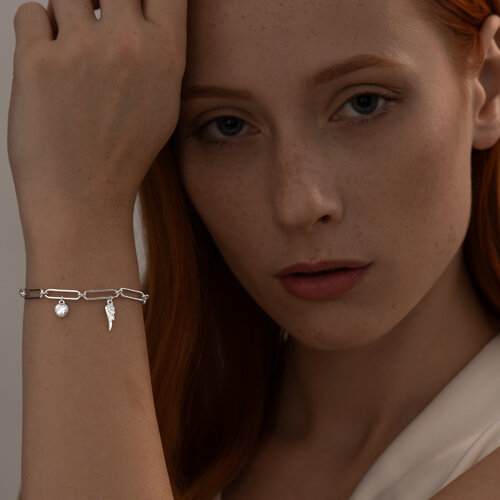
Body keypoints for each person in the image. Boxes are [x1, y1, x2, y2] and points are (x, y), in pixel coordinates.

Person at [8, 0, 500, 499]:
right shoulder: (153, 432)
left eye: (364, 103)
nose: (298, 205)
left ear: (489, 88)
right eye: (228, 126)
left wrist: (79, 213)